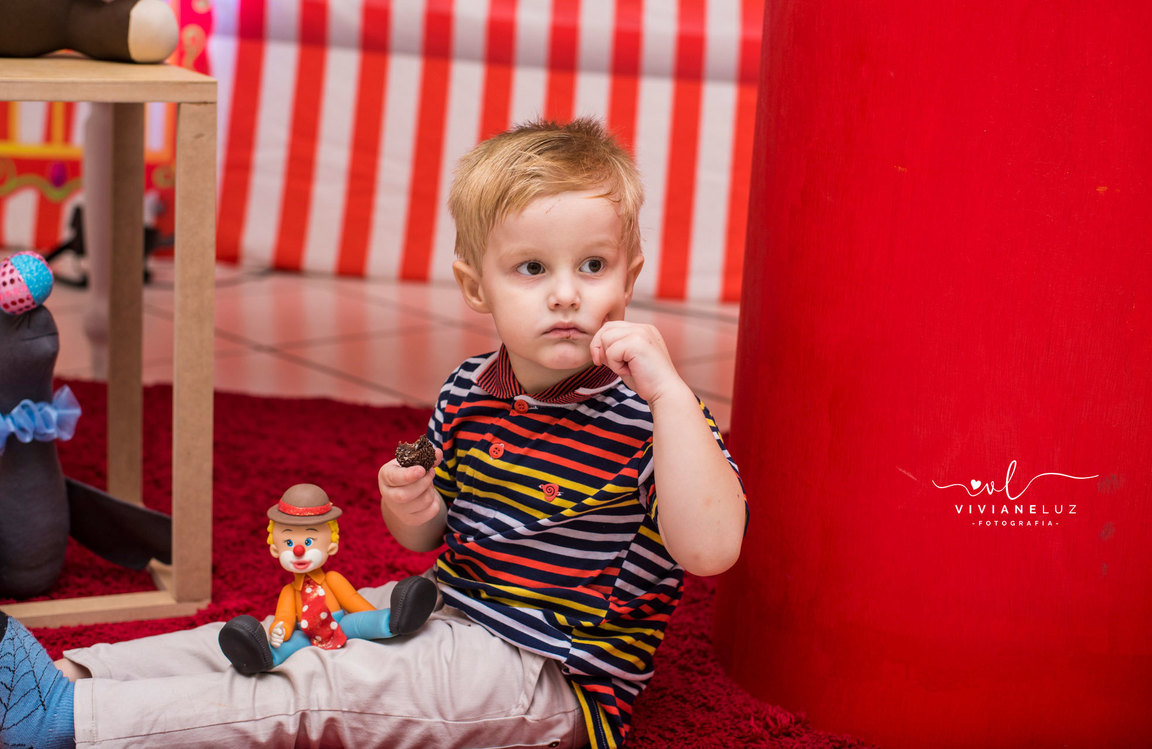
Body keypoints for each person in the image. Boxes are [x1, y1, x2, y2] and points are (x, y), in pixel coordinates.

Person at [0, 117, 746, 749]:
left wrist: (675, 396)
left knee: (325, 683)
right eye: (531, 267)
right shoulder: (470, 389)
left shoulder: (656, 414)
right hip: (448, 605)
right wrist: (413, 505)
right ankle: (79, 673)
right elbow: (428, 540)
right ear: (475, 284)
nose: (565, 293)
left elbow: (710, 549)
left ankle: (71, 721)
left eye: (593, 266)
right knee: (285, 633)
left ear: (629, 275)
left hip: (547, 672)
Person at [216, 483, 437, 674]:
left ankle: (396, 619)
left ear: (331, 545)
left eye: (309, 541)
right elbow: (284, 616)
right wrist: (279, 630)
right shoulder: (288, 592)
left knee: (361, 623)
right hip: (306, 633)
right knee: (287, 645)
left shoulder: (332, 578)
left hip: (340, 624)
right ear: (275, 549)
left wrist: (370, 616)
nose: (299, 550)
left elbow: (351, 600)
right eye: (289, 543)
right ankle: (260, 655)